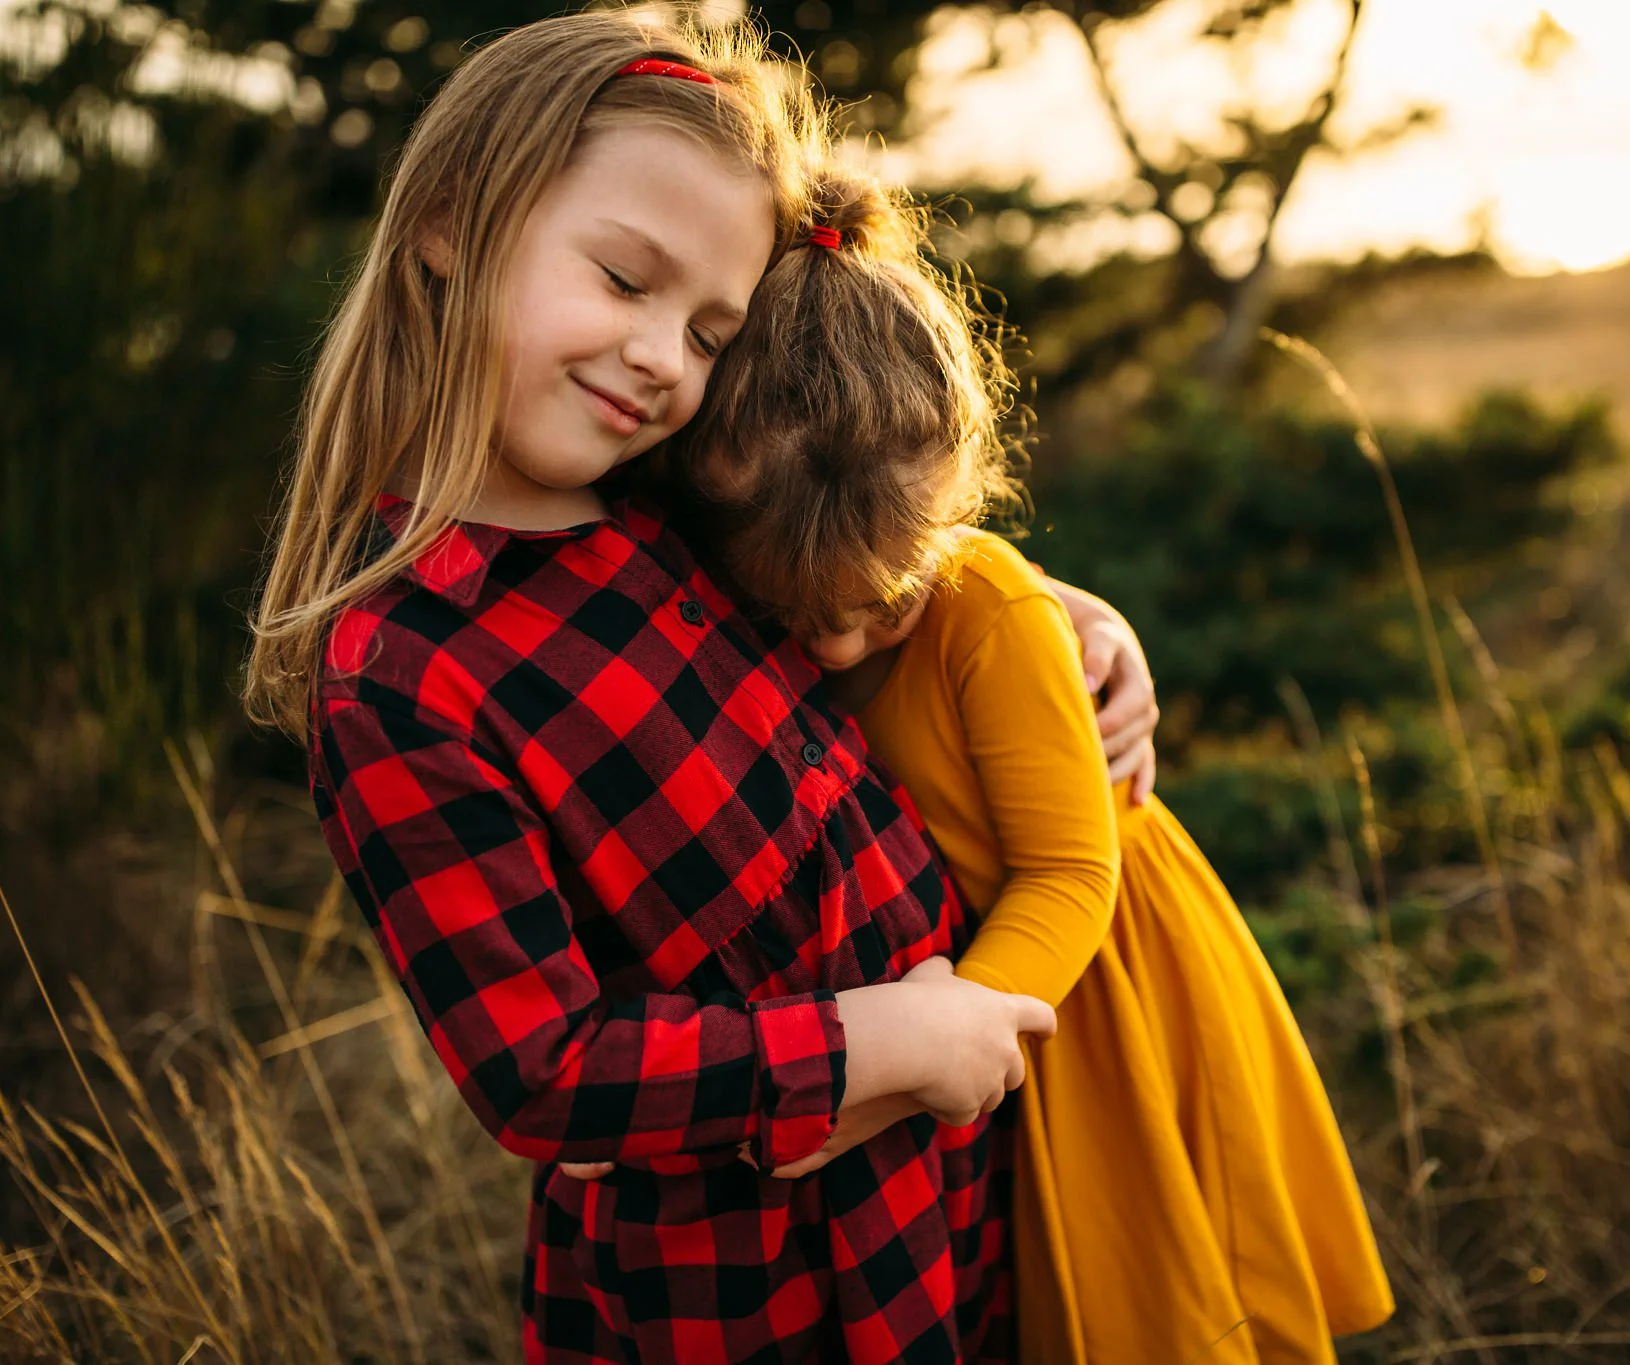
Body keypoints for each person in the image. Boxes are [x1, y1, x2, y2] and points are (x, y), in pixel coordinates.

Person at [243, 13, 1155, 1362]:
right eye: (623, 280)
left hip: (930, 1197)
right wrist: (871, 1043)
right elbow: (542, 1066)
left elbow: (860, 583)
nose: (667, 357)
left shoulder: (667, 509)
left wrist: (1058, 614)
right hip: (732, 1278)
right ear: (448, 226)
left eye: (713, 331)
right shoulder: (405, 672)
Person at [667, 165, 1399, 1364]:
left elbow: (1067, 870)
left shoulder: (990, 609)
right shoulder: (761, 546)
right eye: (801, 615)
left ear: (953, 503)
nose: (840, 642)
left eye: (877, 606)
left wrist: (916, 1055)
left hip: (1093, 977)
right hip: (992, 1003)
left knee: (1151, 1294)